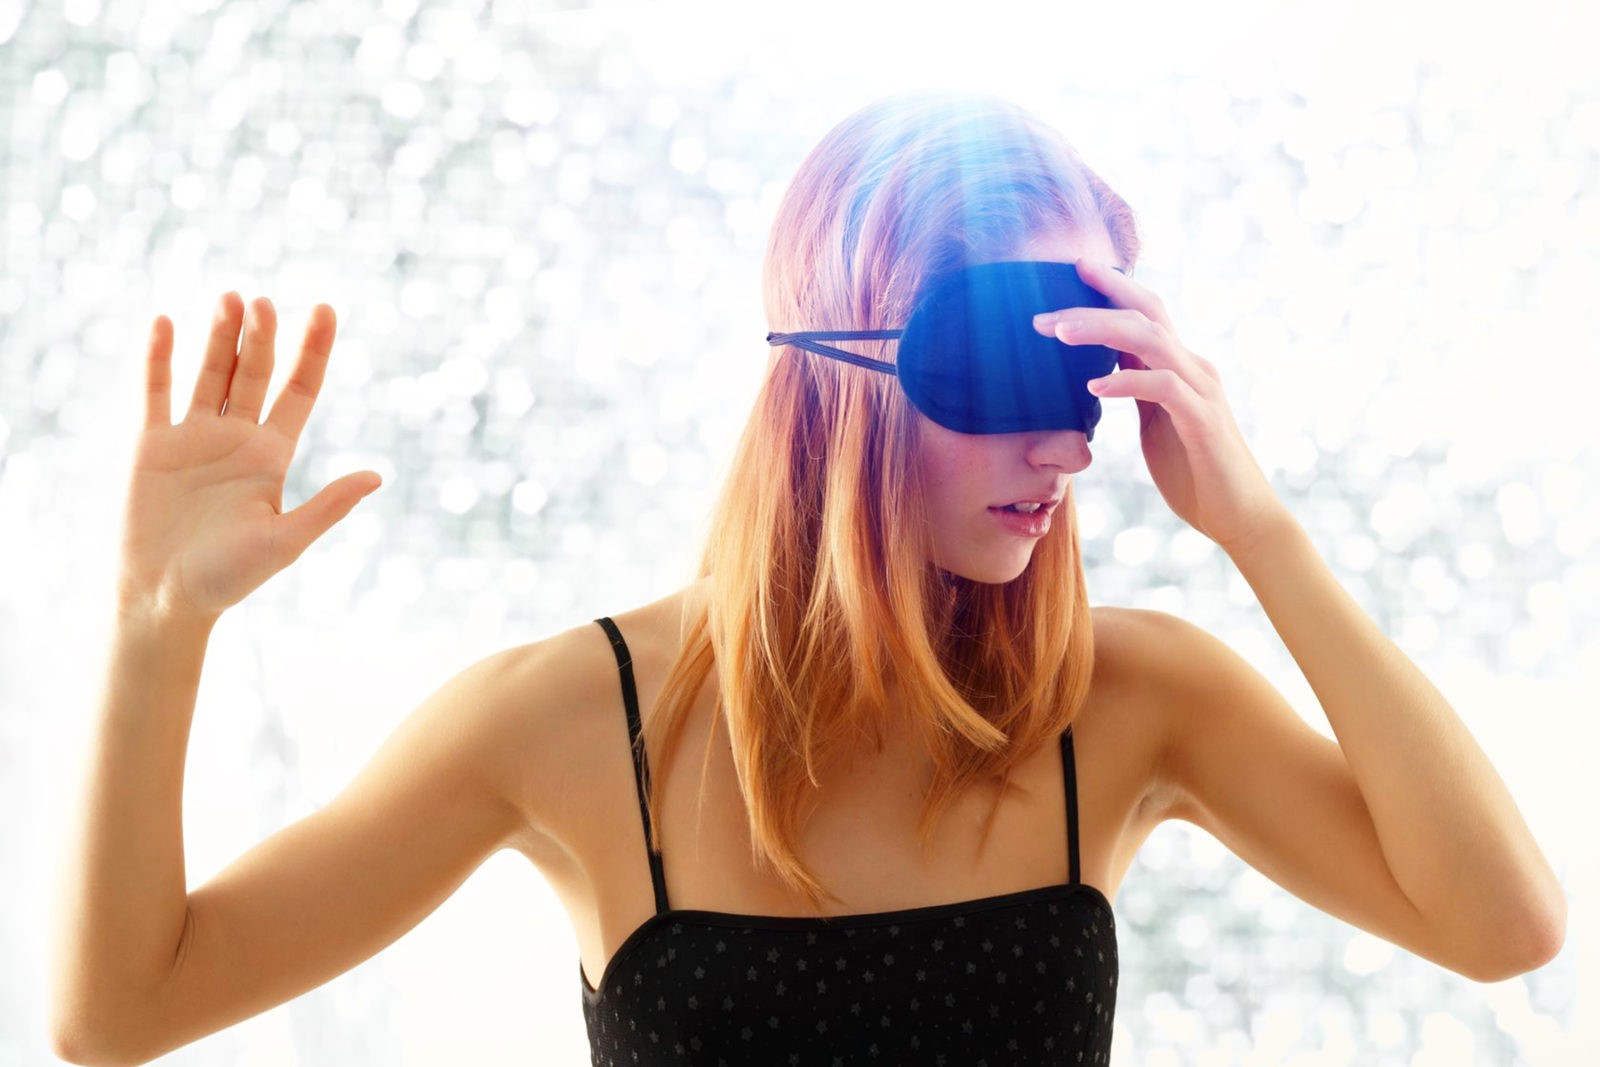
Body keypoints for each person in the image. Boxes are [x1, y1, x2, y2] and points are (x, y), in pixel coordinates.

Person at [50, 89, 1564, 1066]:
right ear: (842, 361)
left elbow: (1506, 929)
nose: (1070, 445)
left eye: (1095, 372)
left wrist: (1261, 532)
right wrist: (156, 628)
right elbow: (122, 1012)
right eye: (1011, 367)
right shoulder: (572, 723)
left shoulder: (1125, 699)